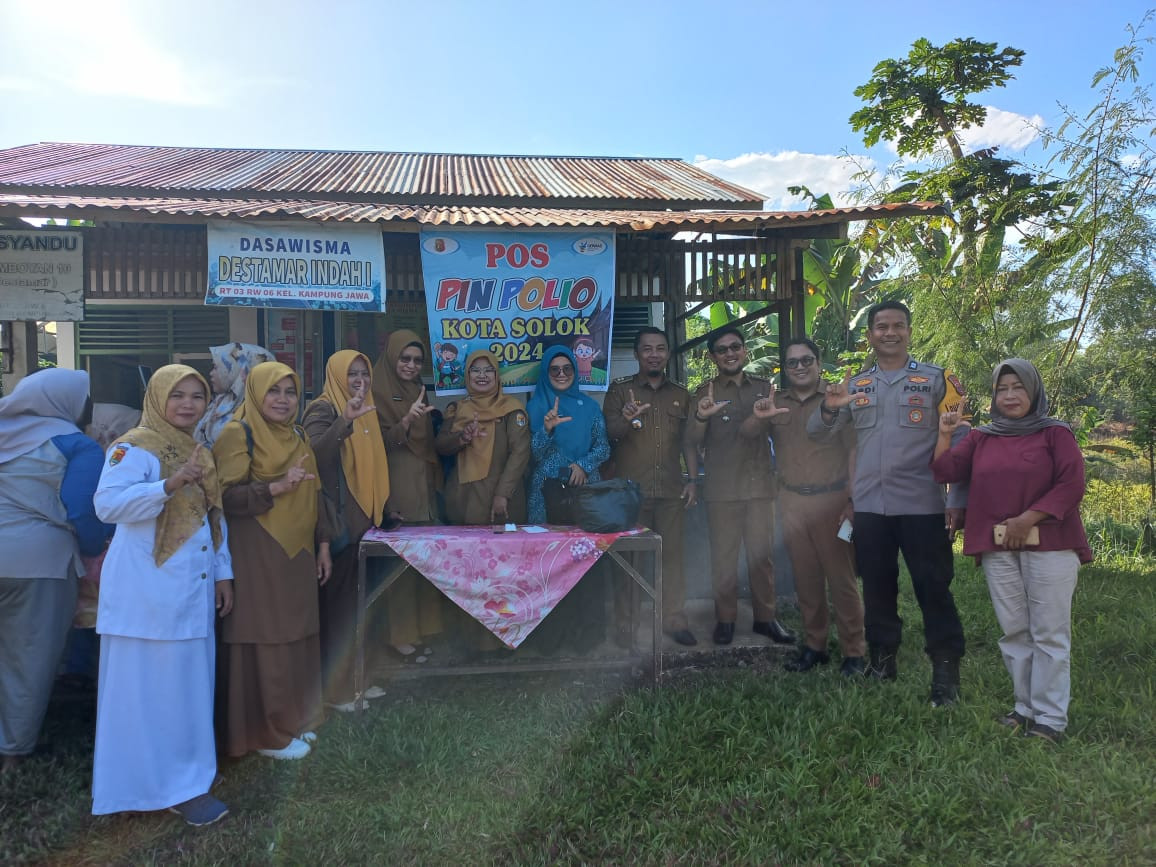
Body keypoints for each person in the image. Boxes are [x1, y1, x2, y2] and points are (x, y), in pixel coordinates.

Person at [91, 365, 233, 826]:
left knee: (186, 694)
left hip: (190, 592)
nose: (188, 404)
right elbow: (107, 505)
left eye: (197, 395)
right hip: (145, 596)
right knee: (139, 696)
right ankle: (136, 788)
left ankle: (186, 786)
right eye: (178, 396)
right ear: (157, 398)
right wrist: (169, 484)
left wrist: (222, 575)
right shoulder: (134, 446)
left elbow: (215, 518)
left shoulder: (199, 450)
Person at [809, 300, 968, 706]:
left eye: (898, 325)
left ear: (909, 332)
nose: (890, 333)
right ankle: (882, 661)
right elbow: (817, 433)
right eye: (881, 326)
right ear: (870, 335)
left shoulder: (937, 381)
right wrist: (829, 405)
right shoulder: (856, 386)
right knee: (878, 588)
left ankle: (945, 672)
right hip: (870, 508)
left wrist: (958, 500)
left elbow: (961, 441)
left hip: (922, 505)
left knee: (933, 588)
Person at [932, 358, 1090, 742]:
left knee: (1049, 632)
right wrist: (944, 433)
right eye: (1002, 389)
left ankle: (1050, 719)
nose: (1010, 395)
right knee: (1015, 630)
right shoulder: (983, 436)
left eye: (1018, 387)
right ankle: (1024, 708)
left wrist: (1028, 519)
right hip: (999, 545)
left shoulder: (1056, 433)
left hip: (1050, 543)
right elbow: (944, 471)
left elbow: (1071, 484)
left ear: (1033, 391)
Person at [213, 361, 328, 760]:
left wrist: (324, 542)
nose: (282, 400)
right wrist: (276, 487)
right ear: (256, 394)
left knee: (297, 633)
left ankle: (293, 720)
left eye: (290, 391)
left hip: (298, 549)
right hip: (257, 548)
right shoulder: (236, 433)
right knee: (266, 635)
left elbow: (314, 491)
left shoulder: (296, 434)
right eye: (273, 391)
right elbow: (222, 499)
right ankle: (265, 733)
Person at [0, 369, 108, 776]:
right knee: (28, 657)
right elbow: (83, 509)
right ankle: (13, 753)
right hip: (38, 563)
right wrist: (94, 549)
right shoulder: (78, 446)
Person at [686, 326, 795, 647]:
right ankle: (726, 620)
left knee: (762, 558)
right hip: (722, 491)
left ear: (745, 351)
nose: (730, 353)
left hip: (761, 487)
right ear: (712, 357)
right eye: (722, 349)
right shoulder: (703, 393)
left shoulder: (765, 389)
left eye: (735, 347)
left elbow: (782, 436)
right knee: (724, 558)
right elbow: (691, 441)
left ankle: (766, 619)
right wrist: (702, 418)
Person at [761, 338, 865, 675]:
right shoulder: (776, 403)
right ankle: (814, 646)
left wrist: (852, 500)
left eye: (807, 360)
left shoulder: (837, 399)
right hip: (791, 501)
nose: (800, 367)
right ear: (785, 369)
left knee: (842, 580)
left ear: (819, 362)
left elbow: (854, 451)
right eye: (793, 362)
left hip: (832, 500)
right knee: (805, 580)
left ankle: (854, 651)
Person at [302, 350, 390, 711]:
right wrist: (343, 422)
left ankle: (358, 681)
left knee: (358, 609)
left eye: (364, 373)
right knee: (338, 612)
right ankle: (337, 692)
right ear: (336, 375)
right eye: (352, 373)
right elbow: (313, 455)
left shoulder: (367, 408)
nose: (360, 380)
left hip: (363, 527)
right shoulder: (323, 408)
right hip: (337, 528)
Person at [602, 327, 698, 647]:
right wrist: (627, 418)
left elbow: (688, 443)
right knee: (629, 561)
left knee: (672, 559)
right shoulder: (620, 392)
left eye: (660, 348)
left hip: (671, 491)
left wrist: (693, 481)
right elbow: (610, 435)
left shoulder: (682, 395)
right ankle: (626, 625)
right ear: (636, 354)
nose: (654, 354)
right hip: (631, 495)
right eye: (647, 349)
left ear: (668, 353)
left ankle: (674, 619)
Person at [526, 345, 611, 651]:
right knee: (548, 566)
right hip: (545, 496)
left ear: (575, 372)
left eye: (567, 369)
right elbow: (533, 454)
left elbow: (603, 447)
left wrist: (582, 466)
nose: (561, 374)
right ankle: (551, 637)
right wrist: (547, 430)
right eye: (554, 369)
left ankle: (587, 636)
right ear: (546, 373)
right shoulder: (535, 408)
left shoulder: (589, 408)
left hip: (585, 494)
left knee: (586, 563)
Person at [371, 331, 445, 658]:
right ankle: (399, 637)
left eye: (417, 360)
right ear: (391, 357)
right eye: (405, 358)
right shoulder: (375, 391)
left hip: (422, 487)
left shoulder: (419, 390)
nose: (411, 365)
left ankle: (423, 631)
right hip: (395, 485)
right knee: (398, 567)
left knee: (422, 562)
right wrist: (406, 421)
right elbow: (377, 445)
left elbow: (428, 445)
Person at [436, 349, 531, 526]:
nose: (482, 375)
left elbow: (520, 453)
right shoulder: (456, 409)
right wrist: (462, 438)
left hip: (500, 500)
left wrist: (503, 494)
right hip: (462, 498)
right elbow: (441, 446)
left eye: (488, 370)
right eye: (475, 370)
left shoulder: (511, 409)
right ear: (467, 374)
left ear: (497, 375)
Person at [194, 342, 275, 448]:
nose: (211, 373)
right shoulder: (222, 402)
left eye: (215, 367)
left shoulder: (254, 416)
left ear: (236, 370)